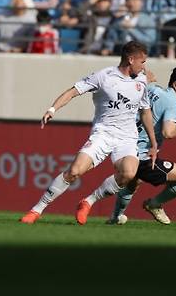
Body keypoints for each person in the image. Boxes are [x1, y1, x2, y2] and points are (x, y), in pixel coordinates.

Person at [19, 41, 158, 225]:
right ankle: (36, 210)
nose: (144, 66)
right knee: (74, 171)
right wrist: (52, 109)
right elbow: (72, 91)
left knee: (128, 173)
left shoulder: (141, 80)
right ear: (131, 59)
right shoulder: (104, 76)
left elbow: (145, 111)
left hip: (127, 138)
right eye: (142, 61)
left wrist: (153, 142)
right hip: (103, 134)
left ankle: (88, 201)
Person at [108, 66, 176, 225]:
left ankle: (115, 217)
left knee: (133, 183)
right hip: (143, 156)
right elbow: (168, 133)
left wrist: (145, 74)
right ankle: (155, 204)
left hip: (125, 147)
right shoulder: (173, 104)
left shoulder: (153, 89)